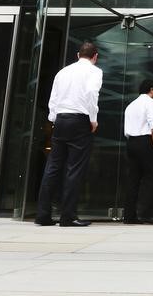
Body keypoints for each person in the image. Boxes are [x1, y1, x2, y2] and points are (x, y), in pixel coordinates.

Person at [35, 41, 103, 227]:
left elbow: (53, 98)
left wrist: (54, 119)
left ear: (77, 55)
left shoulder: (63, 72)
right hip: (80, 120)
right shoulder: (95, 72)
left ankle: (42, 215)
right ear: (95, 57)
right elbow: (91, 94)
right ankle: (68, 216)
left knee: (53, 167)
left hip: (61, 120)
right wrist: (93, 119)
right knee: (75, 168)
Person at [123, 80, 153, 224]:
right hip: (145, 142)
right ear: (152, 90)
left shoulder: (131, 105)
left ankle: (129, 215)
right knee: (152, 177)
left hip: (131, 142)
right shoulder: (150, 102)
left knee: (133, 179)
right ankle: (146, 213)